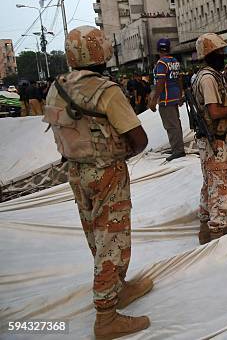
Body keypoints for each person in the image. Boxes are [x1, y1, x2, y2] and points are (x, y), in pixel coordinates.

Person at [43, 26, 151, 338]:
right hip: (106, 172)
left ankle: (118, 288)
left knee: (96, 235)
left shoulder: (57, 87)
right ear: (101, 51)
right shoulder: (106, 90)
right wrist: (119, 153)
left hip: (76, 172)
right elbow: (139, 138)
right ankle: (106, 318)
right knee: (112, 237)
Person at [191, 33, 227, 245]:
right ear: (211, 54)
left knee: (209, 183)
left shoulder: (206, 75)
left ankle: (205, 226)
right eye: (220, 52)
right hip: (214, 140)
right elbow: (215, 112)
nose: (223, 55)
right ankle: (218, 234)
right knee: (219, 187)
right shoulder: (208, 79)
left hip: (210, 140)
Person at [148, 38, 186, 161]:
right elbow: (179, 79)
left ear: (158, 50)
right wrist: (180, 95)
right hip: (174, 96)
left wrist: (154, 100)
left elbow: (161, 81)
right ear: (169, 49)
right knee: (176, 123)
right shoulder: (174, 61)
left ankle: (178, 150)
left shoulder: (161, 63)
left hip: (166, 98)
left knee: (171, 125)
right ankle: (176, 147)